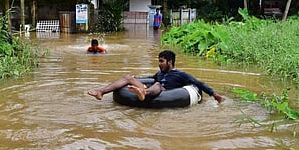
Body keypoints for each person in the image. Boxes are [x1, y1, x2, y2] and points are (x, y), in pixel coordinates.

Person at [88, 50, 224, 103]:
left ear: (170, 62)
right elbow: (151, 77)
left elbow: (198, 83)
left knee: (158, 84)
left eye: (161, 61)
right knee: (128, 77)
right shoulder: (160, 74)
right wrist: (137, 78)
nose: (159, 64)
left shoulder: (180, 75)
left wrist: (214, 94)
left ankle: (143, 92)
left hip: (165, 92)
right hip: (151, 88)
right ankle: (101, 92)